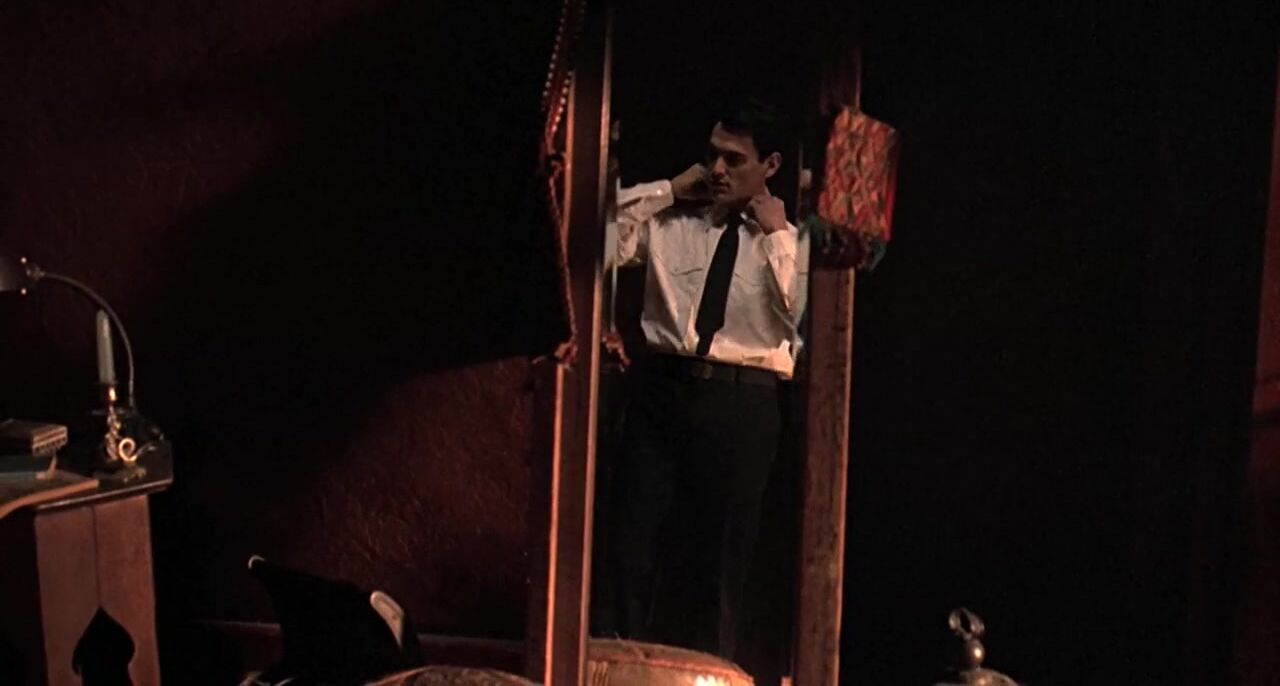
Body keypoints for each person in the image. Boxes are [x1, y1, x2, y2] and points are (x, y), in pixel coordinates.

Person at [606, 97, 808, 660]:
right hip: (662, 391)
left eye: (734, 160)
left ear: (770, 166)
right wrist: (668, 190)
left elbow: (801, 316)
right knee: (631, 543)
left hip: (741, 404)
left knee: (720, 563)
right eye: (713, 155)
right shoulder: (672, 224)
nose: (717, 169)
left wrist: (776, 235)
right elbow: (597, 236)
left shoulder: (790, 243)